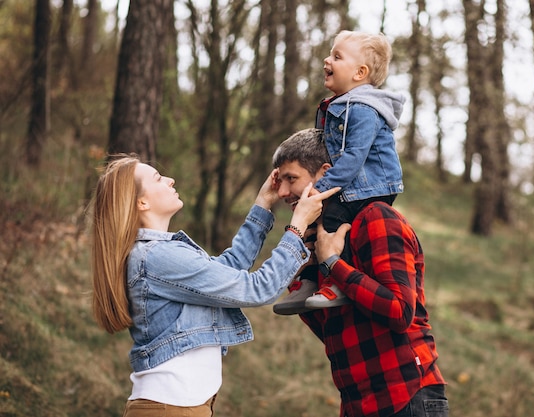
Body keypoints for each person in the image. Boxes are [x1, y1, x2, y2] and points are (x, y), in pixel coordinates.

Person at [90, 154, 338, 417]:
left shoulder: (160, 253)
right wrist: (297, 226)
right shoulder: (156, 257)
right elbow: (258, 288)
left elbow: (228, 270)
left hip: (182, 407)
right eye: (158, 178)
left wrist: (263, 204)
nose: (170, 179)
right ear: (141, 202)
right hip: (171, 409)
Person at [272, 129, 448, 417]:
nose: (282, 192)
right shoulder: (322, 238)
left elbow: (400, 311)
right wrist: (308, 270)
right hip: (358, 402)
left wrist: (333, 264)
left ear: (324, 174)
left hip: (406, 397)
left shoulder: (376, 217)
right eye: (280, 182)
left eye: (291, 179)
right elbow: (335, 332)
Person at [278, 30, 406, 311]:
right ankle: (310, 278)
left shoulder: (363, 109)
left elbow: (353, 158)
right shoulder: (338, 105)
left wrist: (320, 189)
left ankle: (337, 282)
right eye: (329, 53)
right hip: (351, 183)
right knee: (313, 220)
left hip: (371, 185)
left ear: (360, 72)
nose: (327, 60)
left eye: (337, 56)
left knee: (332, 217)